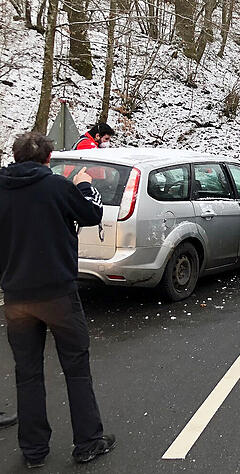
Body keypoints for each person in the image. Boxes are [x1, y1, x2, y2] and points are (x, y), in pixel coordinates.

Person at [0, 132, 115, 468]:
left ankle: (34, 450)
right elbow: (93, 214)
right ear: (48, 160)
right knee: (76, 369)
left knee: (27, 373)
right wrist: (82, 185)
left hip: (17, 298)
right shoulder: (57, 187)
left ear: (16, 157)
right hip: (59, 295)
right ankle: (88, 442)